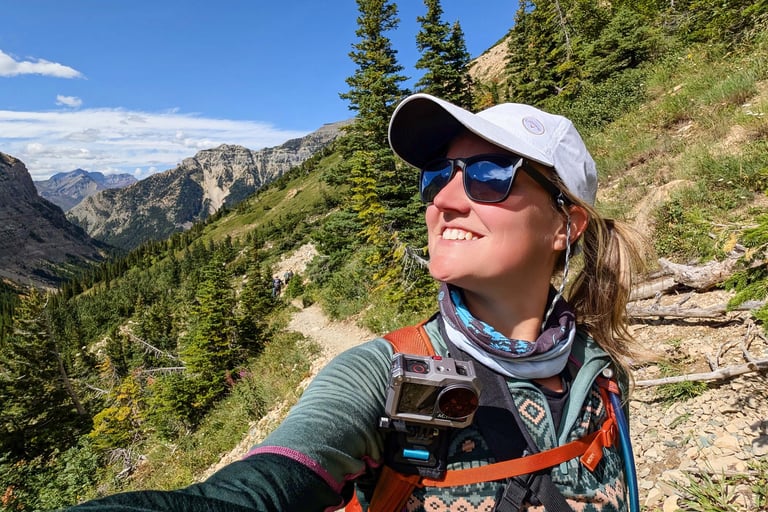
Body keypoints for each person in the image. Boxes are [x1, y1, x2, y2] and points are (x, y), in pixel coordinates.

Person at [63, 93, 645, 511]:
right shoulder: (379, 374)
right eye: (438, 175)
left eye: (489, 175)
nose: (444, 198)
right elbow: (264, 486)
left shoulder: (598, 370)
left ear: (565, 225)